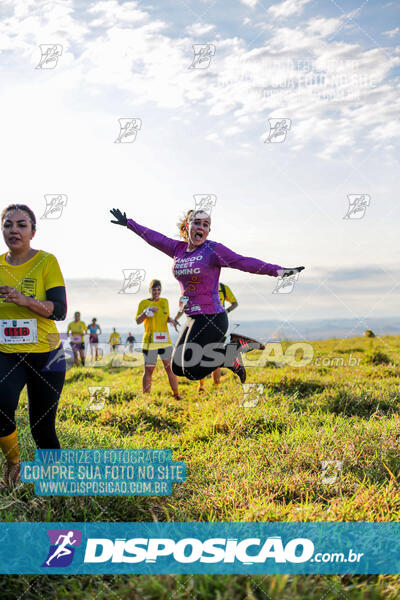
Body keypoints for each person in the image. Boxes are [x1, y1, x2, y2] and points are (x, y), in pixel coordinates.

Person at [110, 207, 304, 384]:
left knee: (193, 371)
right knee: (177, 367)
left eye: (206, 224)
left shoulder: (212, 250)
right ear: (188, 226)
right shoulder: (177, 249)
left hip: (211, 316)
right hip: (191, 317)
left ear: (208, 230)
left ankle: (232, 353)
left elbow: (243, 262)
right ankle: (231, 351)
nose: (201, 227)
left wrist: (278, 271)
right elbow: (155, 238)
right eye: (197, 222)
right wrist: (129, 224)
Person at [0, 204, 67, 487]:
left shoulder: (46, 262)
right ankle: (14, 465)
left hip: (47, 356)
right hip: (7, 355)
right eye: (7, 224)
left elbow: (60, 310)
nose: (14, 230)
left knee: (42, 426)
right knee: (1, 407)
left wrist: (25, 300)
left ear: (33, 231)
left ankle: (54, 482)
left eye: (21, 224)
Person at [175, 281, 239, 392]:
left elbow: (235, 303)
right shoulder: (192, 286)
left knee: (214, 354)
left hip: (217, 326)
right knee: (200, 355)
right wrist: (176, 318)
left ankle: (217, 385)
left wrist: (225, 311)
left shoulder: (223, 287)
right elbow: (181, 305)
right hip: (200, 326)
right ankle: (202, 385)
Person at [136, 279, 181, 400]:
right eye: (154, 290)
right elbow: (138, 321)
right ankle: (146, 398)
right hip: (150, 342)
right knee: (149, 370)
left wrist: (171, 320)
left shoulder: (165, 302)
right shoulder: (144, 303)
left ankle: (176, 395)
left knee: (170, 369)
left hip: (164, 341)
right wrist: (146, 312)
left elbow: (164, 316)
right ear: (150, 290)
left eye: (159, 289)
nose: (157, 292)